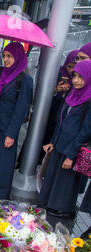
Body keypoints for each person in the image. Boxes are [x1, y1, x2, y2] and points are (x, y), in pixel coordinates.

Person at [0, 42, 33, 200]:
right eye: (4, 56)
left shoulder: (25, 80)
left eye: (10, 56)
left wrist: (11, 134)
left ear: (18, 57)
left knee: (2, 165)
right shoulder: (0, 72)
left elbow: (21, 110)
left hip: (7, 128)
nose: (6, 59)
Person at [39, 60, 91, 219]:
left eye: (81, 77)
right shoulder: (71, 94)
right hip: (60, 144)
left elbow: (86, 131)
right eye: (74, 75)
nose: (76, 80)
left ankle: (62, 210)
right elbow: (60, 121)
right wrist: (52, 142)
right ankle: (50, 205)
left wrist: (70, 155)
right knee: (54, 177)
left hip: (72, 149)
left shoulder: (89, 100)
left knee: (65, 182)